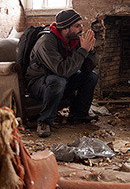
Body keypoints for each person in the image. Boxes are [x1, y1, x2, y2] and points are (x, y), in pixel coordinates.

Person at [25, 9, 99, 138]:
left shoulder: (74, 40)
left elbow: (87, 69)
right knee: (58, 81)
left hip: (61, 80)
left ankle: (78, 114)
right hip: (39, 83)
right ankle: (44, 121)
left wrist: (89, 51)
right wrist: (83, 51)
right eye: (77, 26)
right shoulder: (46, 42)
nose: (81, 29)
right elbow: (62, 70)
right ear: (65, 29)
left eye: (81, 25)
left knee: (91, 76)